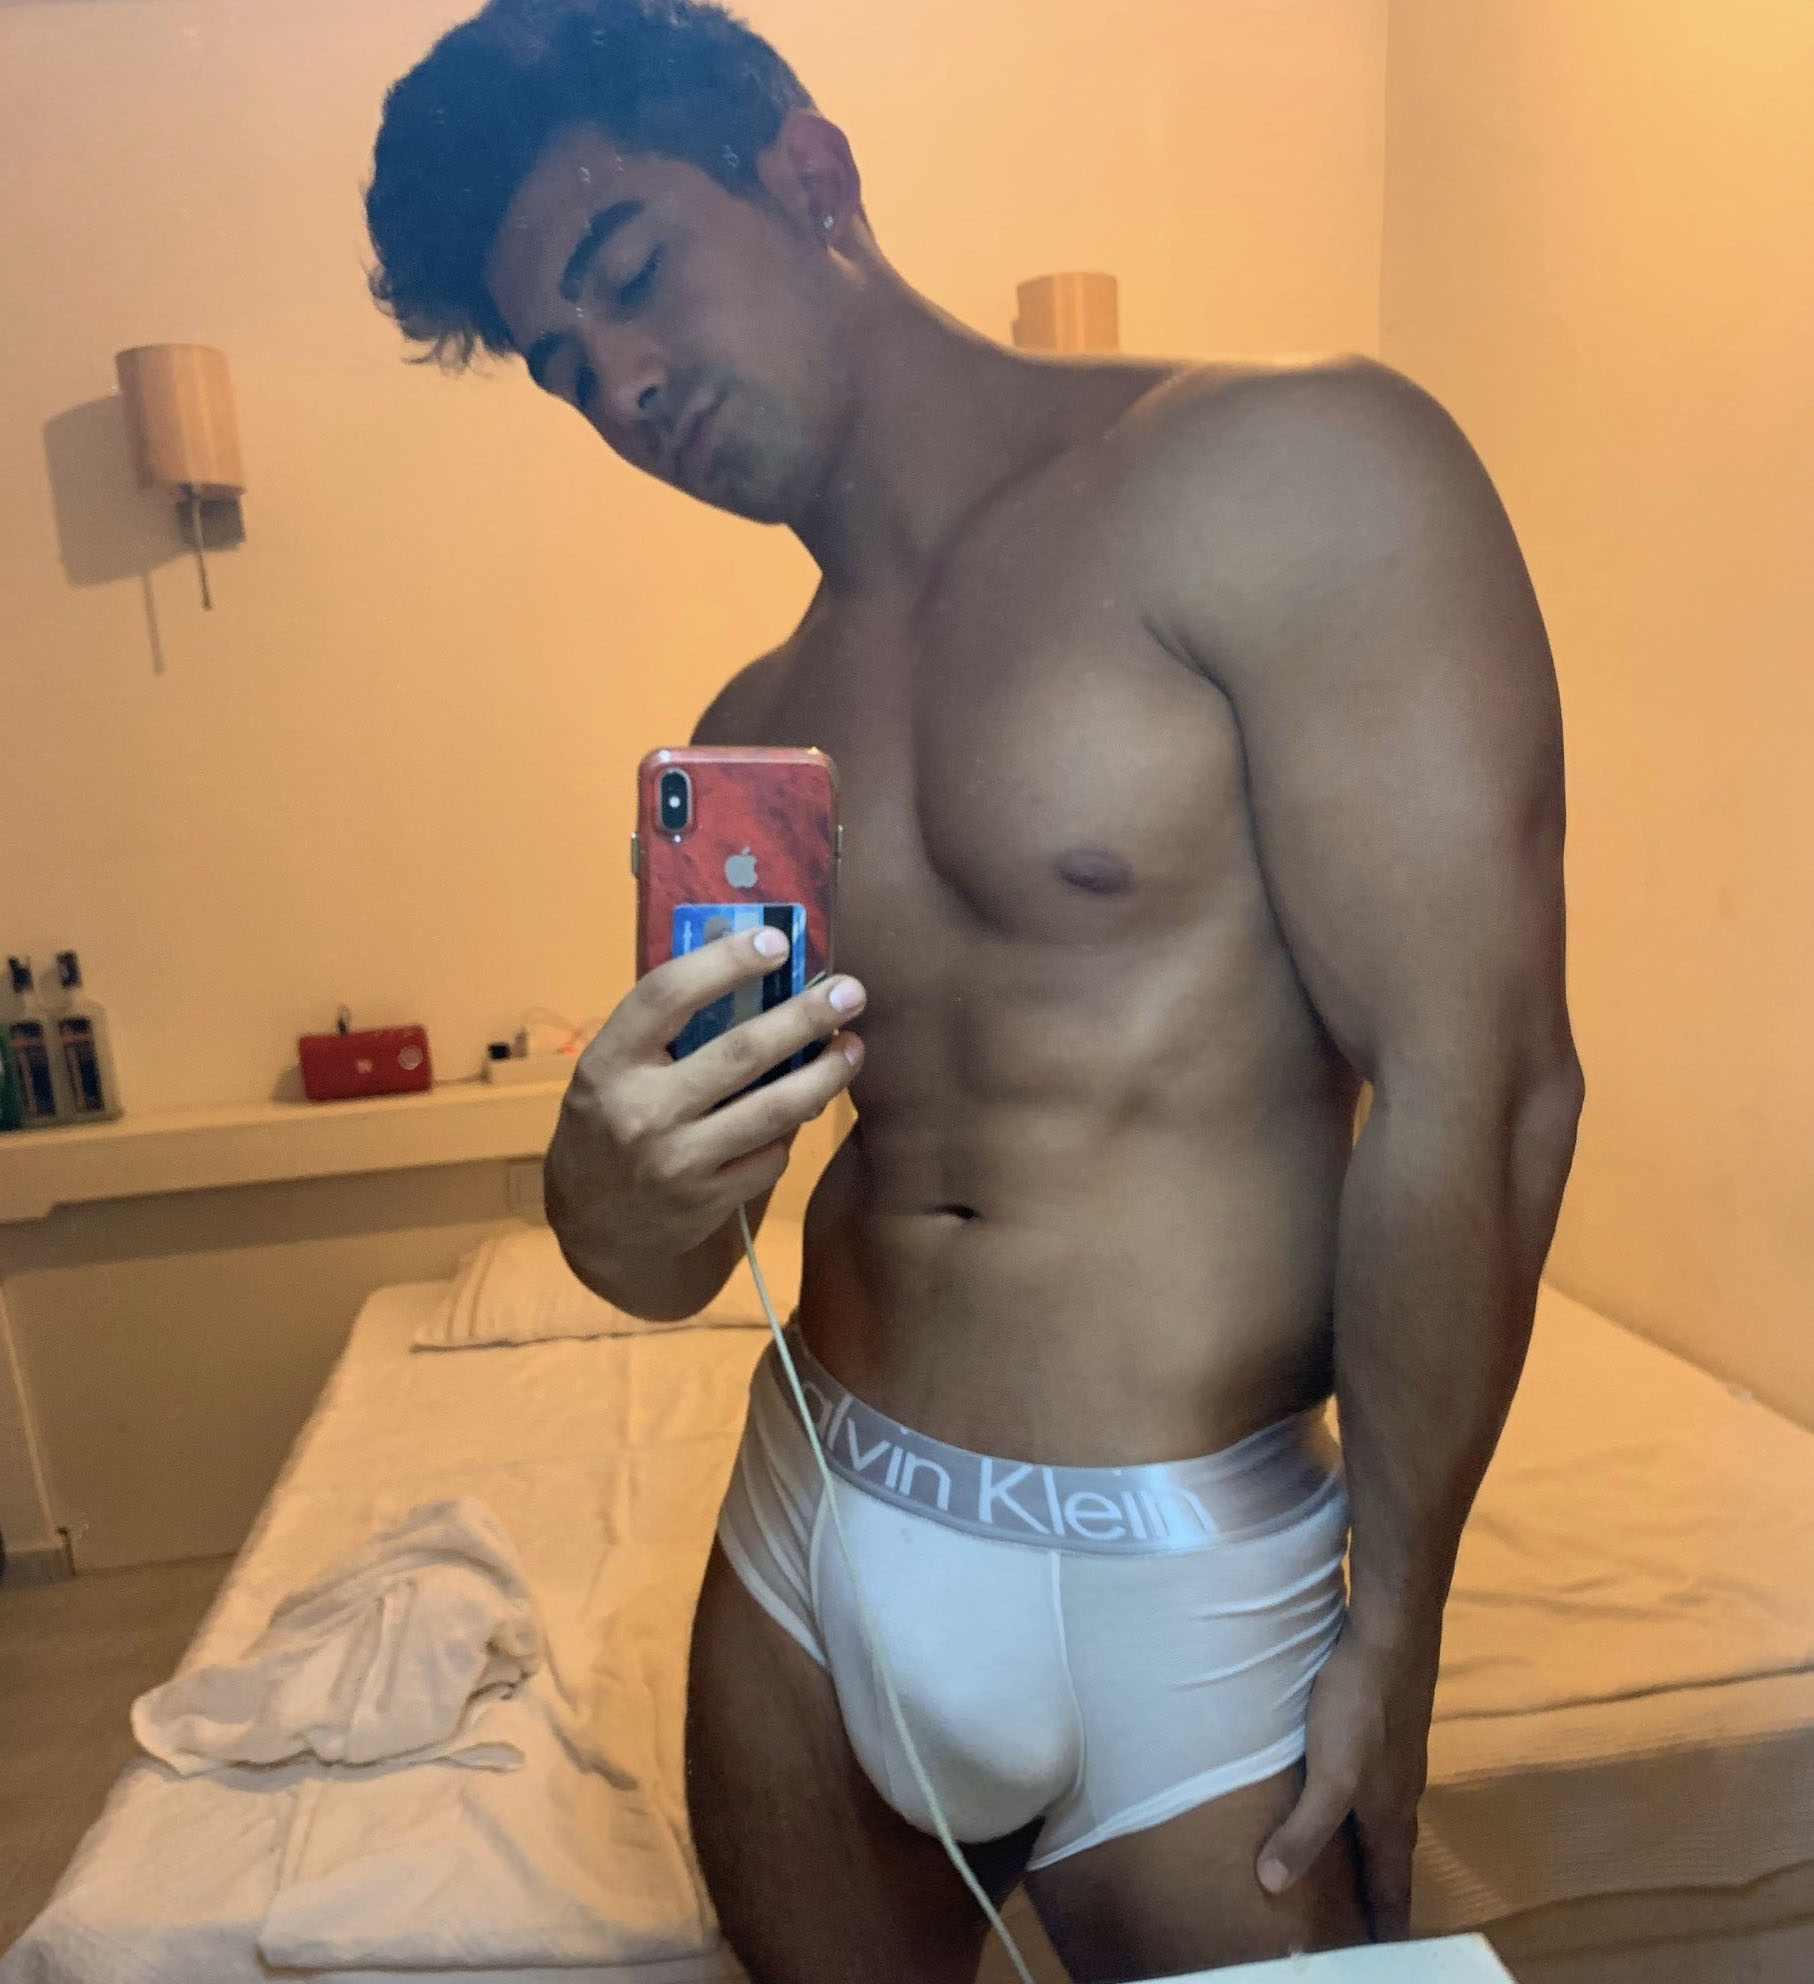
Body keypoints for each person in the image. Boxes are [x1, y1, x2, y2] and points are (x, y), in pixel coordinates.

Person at [366, 5, 1584, 1977]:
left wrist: (1399, 1618)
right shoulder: (752, 728)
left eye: (632, 273)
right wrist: (599, 1183)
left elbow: (1486, 1084)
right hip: (807, 1529)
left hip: (1185, 1585)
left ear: (808, 173)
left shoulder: (1285, 472)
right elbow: (678, 1258)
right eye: (564, 367)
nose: (622, 385)